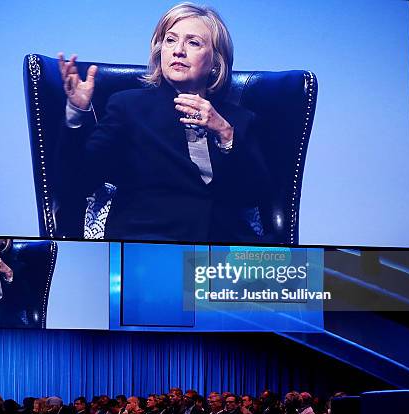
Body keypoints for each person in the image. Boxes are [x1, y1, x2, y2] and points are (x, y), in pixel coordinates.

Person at [57, 2, 270, 243]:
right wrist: (76, 111)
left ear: (215, 63)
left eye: (193, 42)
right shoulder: (129, 107)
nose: (178, 50)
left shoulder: (238, 121)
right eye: (170, 40)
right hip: (150, 243)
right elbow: (77, 180)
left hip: (223, 249)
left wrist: (225, 134)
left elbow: (256, 196)